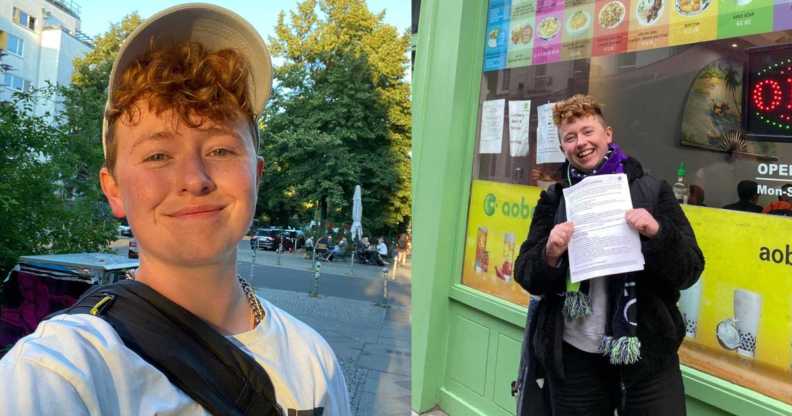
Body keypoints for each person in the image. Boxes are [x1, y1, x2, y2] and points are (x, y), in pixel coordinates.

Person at [0, 4, 351, 415]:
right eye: (158, 155)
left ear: (256, 176)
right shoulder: (60, 373)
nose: (195, 178)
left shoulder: (314, 362)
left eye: (221, 149)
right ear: (113, 190)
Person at [513, 94, 704, 415]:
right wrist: (549, 253)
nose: (581, 143)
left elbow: (690, 269)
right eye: (570, 138)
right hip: (574, 357)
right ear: (563, 148)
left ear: (608, 135)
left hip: (646, 355)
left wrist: (657, 233)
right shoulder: (555, 199)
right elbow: (526, 274)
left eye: (588, 132)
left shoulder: (651, 190)